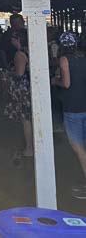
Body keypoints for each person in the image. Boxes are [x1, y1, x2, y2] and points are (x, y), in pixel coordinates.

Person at [51, 31, 86, 199]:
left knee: (79, 148)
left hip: (72, 108)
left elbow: (66, 83)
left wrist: (54, 80)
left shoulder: (64, 60)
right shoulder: (84, 58)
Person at [3, 29, 33, 166]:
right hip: (30, 88)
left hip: (22, 90)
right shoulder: (29, 49)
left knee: (25, 119)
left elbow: (19, 74)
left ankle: (29, 147)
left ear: (19, 40)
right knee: (29, 117)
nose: (11, 40)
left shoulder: (20, 54)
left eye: (14, 37)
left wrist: (8, 74)